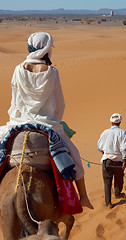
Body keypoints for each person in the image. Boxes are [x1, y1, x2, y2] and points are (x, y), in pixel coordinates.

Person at [0, 32, 93, 209]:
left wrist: (18, 116)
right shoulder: (52, 73)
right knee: (75, 158)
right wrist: (55, 119)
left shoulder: (18, 69)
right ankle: (83, 197)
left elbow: (15, 101)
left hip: (18, 123)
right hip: (48, 124)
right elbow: (59, 103)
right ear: (47, 49)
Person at [97, 113, 126, 209]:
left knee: (107, 182)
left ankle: (108, 203)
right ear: (120, 122)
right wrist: (124, 160)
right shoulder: (123, 133)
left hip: (106, 161)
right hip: (118, 161)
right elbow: (124, 148)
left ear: (111, 122)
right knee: (119, 179)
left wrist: (104, 152)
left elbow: (99, 146)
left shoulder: (105, 132)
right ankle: (118, 194)